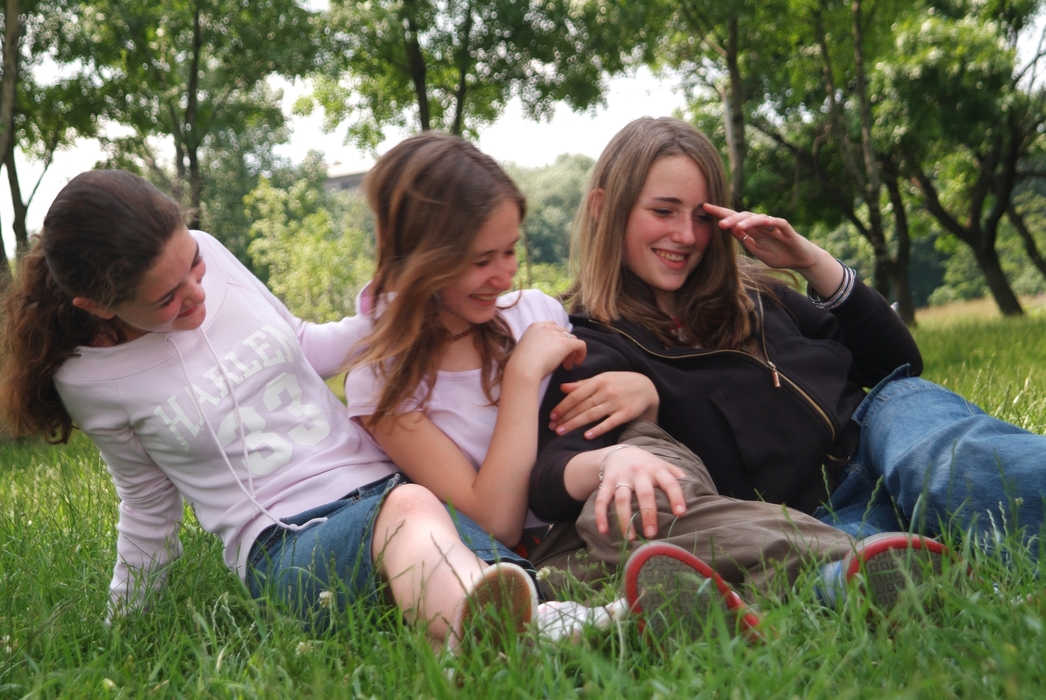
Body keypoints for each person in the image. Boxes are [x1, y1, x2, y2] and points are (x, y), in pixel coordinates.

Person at [343, 131, 907, 641]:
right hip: (552, 546)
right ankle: (844, 566)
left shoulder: (533, 313)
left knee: (638, 498)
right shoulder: (384, 386)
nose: (504, 275)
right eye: (480, 260)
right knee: (635, 562)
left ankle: (762, 592)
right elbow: (496, 520)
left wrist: (642, 391)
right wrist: (521, 377)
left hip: (619, 478)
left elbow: (602, 409)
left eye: (511, 251)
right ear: (419, 259)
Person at [0, 170, 539, 649]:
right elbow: (146, 505)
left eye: (194, 266)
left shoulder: (212, 252)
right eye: (168, 299)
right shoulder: (90, 378)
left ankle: (512, 631)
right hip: (285, 547)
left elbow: (299, 344)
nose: (198, 293)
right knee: (414, 511)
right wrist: (118, 631)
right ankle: (491, 634)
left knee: (497, 565)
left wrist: (399, 313)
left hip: (384, 490)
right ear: (97, 306)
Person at [529, 117, 1041, 620]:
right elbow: (552, 475)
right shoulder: (590, 341)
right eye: (664, 211)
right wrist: (618, 446)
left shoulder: (758, 292)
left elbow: (894, 362)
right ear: (603, 207)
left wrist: (810, 261)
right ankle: (917, 575)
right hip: (804, 516)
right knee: (846, 562)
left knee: (952, 451)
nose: (686, 235)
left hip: (883, 434)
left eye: (702, 216)